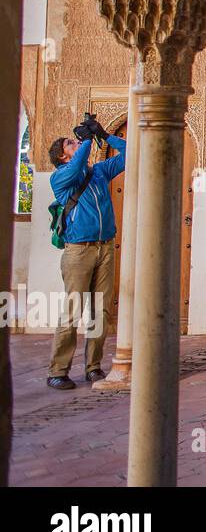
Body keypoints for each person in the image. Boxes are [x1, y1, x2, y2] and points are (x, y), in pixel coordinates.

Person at [45, 123, 125, 390]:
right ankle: (58, 370)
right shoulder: (61, 178)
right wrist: (88, 141)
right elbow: (78, 164)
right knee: (73, 311)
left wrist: (104, 135)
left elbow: (130, 153)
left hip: (104, 247)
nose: (76, 144)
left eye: (75, 141)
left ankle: (93, 367)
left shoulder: (100, 172)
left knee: (100, 312)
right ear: (62, 156)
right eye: (71, 143)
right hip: (78, 250)